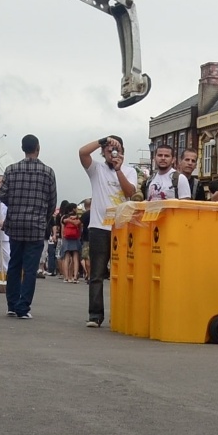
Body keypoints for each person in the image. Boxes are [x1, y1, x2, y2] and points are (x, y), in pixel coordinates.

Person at [77, 133, 138, 328]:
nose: (113, 152)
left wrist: (119, 169)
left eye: (117, 149)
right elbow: (82, 152)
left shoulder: (129, 171)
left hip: (121, 227)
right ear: (103, 152)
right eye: (110, 149)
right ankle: (95, 315)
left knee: (122, 273)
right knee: (96, 273)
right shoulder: (97, 169)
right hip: (99, 226)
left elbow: (130, 192)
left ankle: (120, 313)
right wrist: (103, 141)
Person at [0, 134, 59, 318]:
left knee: (14, 265)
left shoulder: (11, 170)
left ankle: (12, 304)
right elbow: (52, 201)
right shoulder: (48, 172)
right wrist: (43, 219)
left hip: (15, 224)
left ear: (23, 148)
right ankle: (23, 307)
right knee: (30, 269)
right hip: (36, 226)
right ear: (37, 148)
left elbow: (3, 196)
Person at [57, 201, 84, 282]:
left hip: (66, 238)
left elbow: (63, 226)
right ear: (73, 209)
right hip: (76, 238)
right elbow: (80, 227)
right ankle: (75, 276)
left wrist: (69, 220)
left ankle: (66, 277)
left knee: (66, 257)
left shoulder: (64, 217)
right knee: (75, 258)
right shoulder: (78, 217)